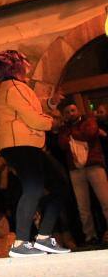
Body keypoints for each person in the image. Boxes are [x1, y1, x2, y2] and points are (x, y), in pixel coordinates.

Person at [0, 50, 70, 257]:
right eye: (25, 63)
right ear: (16, 67)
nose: (27, 66)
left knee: (58, 185)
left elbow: (32, 109)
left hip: (25, 144)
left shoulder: (15, 88)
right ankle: (21, 242)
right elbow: (33, 118)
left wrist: (51, 104)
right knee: (35, 188)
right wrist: (53, 122)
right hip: (19, 144)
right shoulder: (13, 87)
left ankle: (43, 237)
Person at [56, 99, 108, 245]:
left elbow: (89, 134)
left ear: (78, 110)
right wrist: (72, 134)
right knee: (82, 206)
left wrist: (72, 134)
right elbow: (62, 144)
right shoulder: (64, 128)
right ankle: (90, 236)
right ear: (64, 115)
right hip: (76, 169)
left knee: (105, 201)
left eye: (73, 110)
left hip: (94, 164)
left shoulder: (89, 120)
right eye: (67, 112)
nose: (70, 114)